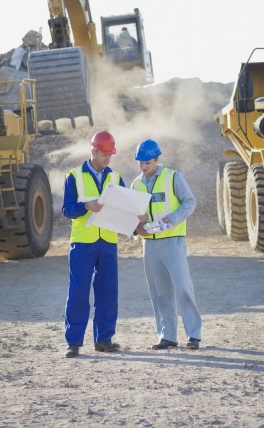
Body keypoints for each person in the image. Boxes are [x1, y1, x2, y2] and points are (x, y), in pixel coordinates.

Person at [131, 139, 203, 350]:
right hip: (149, 245)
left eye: (147, 163)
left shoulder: (172, 177)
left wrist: (171, 219)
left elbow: (190, 202)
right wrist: (137, 228)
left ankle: (194, 335)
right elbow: (131, 214)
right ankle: (168, 335)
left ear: (157, 159)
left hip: (172, 241)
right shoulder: (136, 184)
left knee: (182, 287)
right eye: (140, 163)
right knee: (159, 291)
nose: (143, 167)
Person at [61, 130, 126, 359]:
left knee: (108, 291)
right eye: (104, 154)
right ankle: (73, 343)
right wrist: (86, 206)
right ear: (94, 151)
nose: (108, 158)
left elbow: (125, 207)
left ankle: (104, 340)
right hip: (83, 243)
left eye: (111, 154)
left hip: (107, 242)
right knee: (78, 292)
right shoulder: (74, 176)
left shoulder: (116, 178)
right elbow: (67, 209)